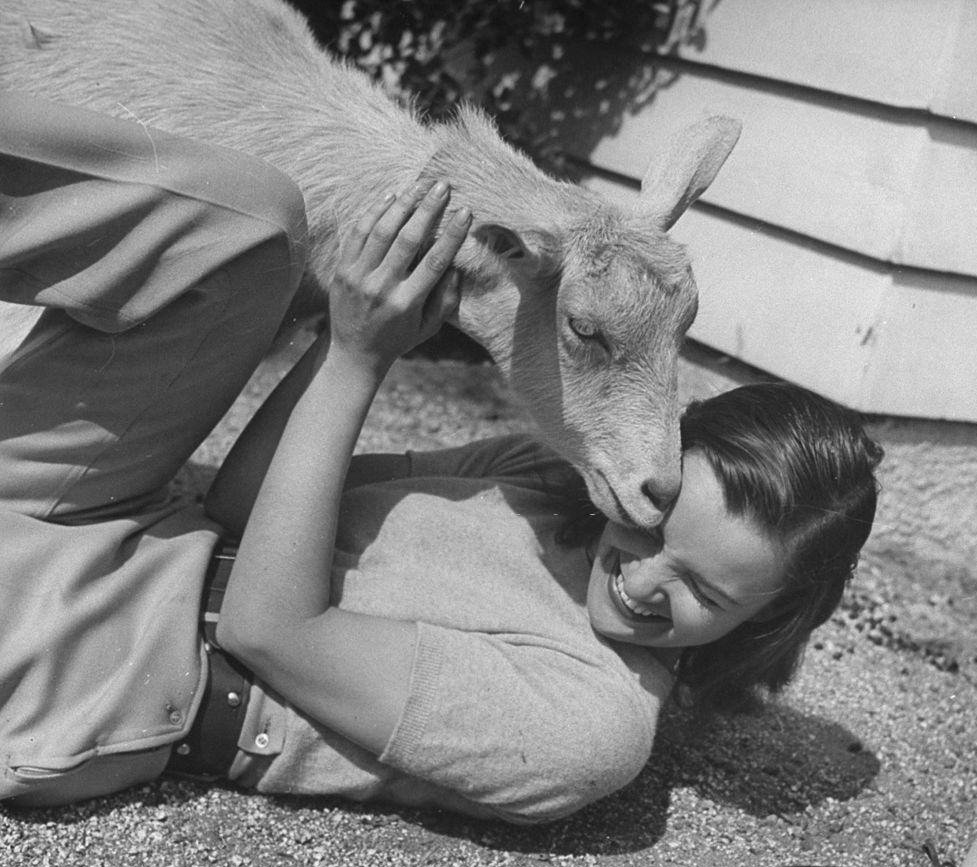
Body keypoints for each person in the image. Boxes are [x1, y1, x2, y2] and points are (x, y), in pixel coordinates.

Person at [0, 92, 883, 823]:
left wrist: (358, 359)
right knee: (252, 221)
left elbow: (268, 630)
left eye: (708, 593)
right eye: (667, 527)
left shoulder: (592, 723)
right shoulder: (553, 487)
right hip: (122, 518)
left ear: (764, 628)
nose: (647, 576)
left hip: (87, 658)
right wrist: (369, 319)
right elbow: (241, 502)